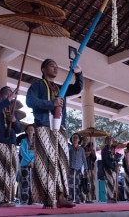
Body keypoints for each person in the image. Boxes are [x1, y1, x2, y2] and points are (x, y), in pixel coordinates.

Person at [26, 58, 83, 209]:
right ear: (43, 69)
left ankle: (61, 196)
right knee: (46, 161)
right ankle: (47, 197)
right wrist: (52, 103)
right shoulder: (37, 85)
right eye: (52, 66)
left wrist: (79, 73)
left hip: (60, 127)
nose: (56, 68)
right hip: (44, 125)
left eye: (57, 66)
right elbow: (30, 101)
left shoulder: (60, 88)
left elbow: (77, 89)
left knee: (62, 162)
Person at [0, 86, 24, 208]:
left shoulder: (13, 111)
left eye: (11, 95)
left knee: (10, 171)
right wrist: (8, 100)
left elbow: (19, 129)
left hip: (11, 143)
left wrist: (14, 121)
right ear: (1, 95)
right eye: (8, 94)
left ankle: (6, 200)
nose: (10, 97)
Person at [68, 133, 87, 204]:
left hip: (79, 169)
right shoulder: (69, 148)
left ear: (79, 140)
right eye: (73, 138)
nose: (75, 139)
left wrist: (85, 168)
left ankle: (77, 199)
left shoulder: (81, 149)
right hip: (70, 168)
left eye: (76, 138)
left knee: (78, 184)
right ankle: (70, 199)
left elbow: (84, 159)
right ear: (72, 139)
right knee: (70, 184)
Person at [19, 124, 35, 205]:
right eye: (28, 129)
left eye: (32, 129)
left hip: (33, 163)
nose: (30, 131)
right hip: (25, 163)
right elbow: (22, 152)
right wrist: (29, 161)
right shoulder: (23, 141)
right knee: (25, 182)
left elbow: (37, 153)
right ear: (26, 131)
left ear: (34, 131)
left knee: (33, 182)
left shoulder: (36, 142)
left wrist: (32, 161)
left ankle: (33, 200)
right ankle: (24, 200)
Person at [101, 136, 117, 203]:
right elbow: (105, 159)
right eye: (108, 140)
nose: (110, 141)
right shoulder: (104, 149)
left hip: (113, 167)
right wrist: (110, 167)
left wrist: (115, 158)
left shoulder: (113, 149)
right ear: (106, 141)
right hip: (107, 167)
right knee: (109, 182)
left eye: (111, 140)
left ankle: (113, 196)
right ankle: (109, 197)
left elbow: (114, 158)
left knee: (113, 182)